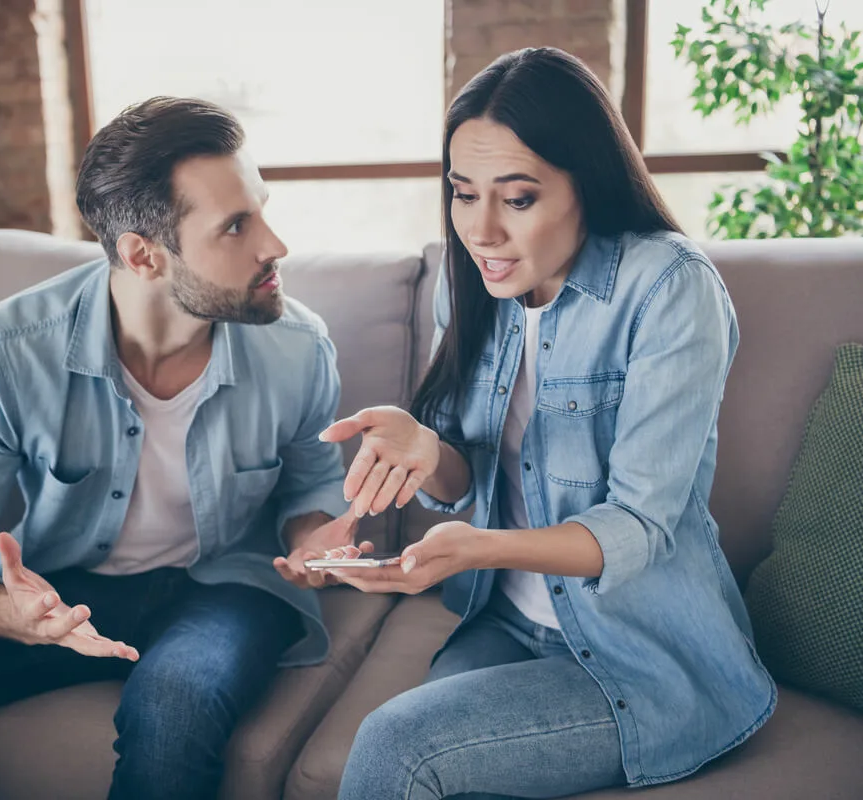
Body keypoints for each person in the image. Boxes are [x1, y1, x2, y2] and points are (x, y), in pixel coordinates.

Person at [0, 96, 362, 800]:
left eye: (262, 209)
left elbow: (312, 485)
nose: (274, 244)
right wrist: (9, 614)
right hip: (65, 582)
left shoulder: (298, 346)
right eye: (235, 226)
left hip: (225, 583)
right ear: (143, 254)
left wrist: (317, 537)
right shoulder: (5, 352)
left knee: (175, 707)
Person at [319, 48, 776, 799]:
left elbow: (640, 525)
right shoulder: (471, 285)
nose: (482, 229)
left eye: (519, 198)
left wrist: (476, 548)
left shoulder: (667, 286)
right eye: (463, 194)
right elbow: (469, 472)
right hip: (506, 627)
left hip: (641, 658)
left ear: (586, 185)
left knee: (396, 746)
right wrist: (428, 451)